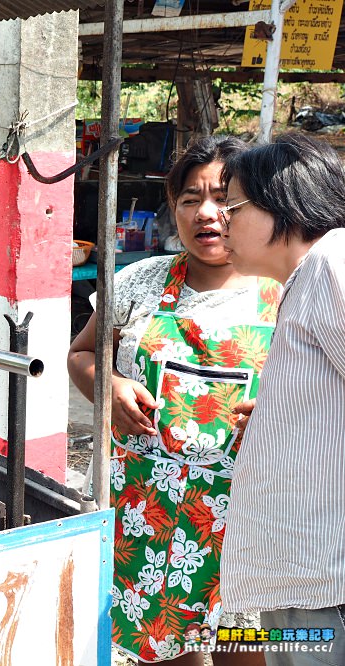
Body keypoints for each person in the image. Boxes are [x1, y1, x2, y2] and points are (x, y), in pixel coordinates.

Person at [68, 134, 280, 665]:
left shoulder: (289, 291)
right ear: (173, 206)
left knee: (245, 647)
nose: (207, 213)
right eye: (190, 198)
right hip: (147, 512)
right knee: (158, 647)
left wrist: (284, 417)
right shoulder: (137, 283)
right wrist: (109, 386)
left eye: (224, 198)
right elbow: (82, 354)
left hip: (249, 520)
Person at [218, 132, 345, 666]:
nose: (222, 221)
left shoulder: (332, 266)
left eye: (233, 207)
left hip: (320, 586)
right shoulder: (307, 279)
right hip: (299, 576)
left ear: (282, 202)